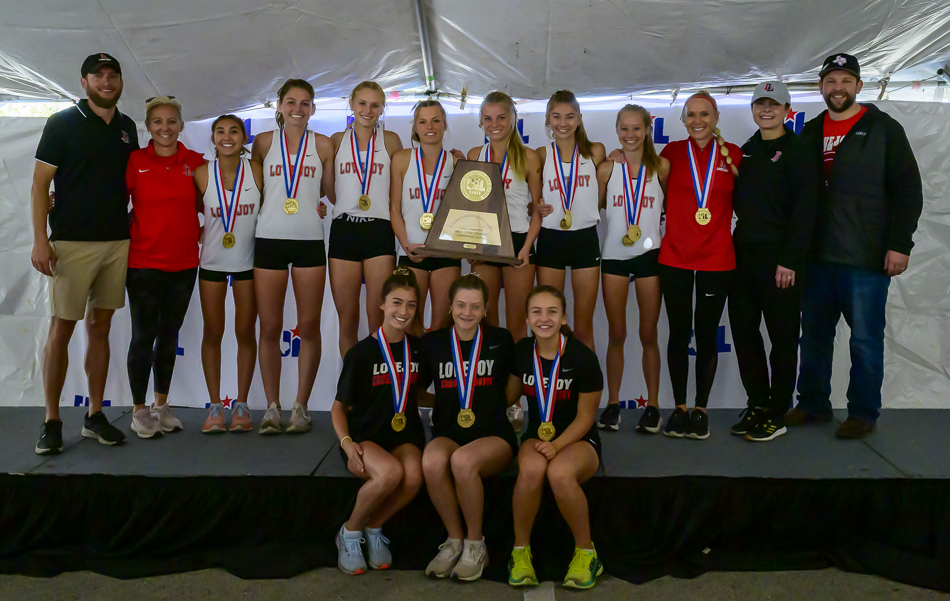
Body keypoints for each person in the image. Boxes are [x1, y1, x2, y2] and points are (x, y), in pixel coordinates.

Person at [788, 54, 922, 438]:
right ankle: (813, 404)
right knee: (813, 337)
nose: (838, 88)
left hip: (865, 260)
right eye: (831, 81)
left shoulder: (883, 129)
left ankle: (863, 412)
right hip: (817, 260)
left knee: (864, 339)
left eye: (846, 80)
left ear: (859, 86)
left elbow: (908, 190)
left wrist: (900, 244)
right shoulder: (811, 132)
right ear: (821, 87)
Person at [32, 53, 138, 454]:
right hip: (71, 243)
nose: (106, 82)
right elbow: (40, 184)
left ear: (121, 82)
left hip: (116, 243)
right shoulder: (61, 123)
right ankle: (51, 420)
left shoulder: (127, 127)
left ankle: (94, 415)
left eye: (113, 76)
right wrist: (41, 240)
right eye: (99, 76)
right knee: (61, 332)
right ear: (84, 82)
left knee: (100, 328)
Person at [728, 82, 818, 442]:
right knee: (745, 335)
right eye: (760, 104)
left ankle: (778, 411)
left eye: (774, 105)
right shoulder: (745, 151)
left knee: (782, 339)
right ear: (752, 110)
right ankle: (758, 404)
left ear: (787, 109)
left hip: (781, 261)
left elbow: (807, 210)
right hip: (743, 258)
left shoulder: (798, 149)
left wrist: (790, 260)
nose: (767, 110)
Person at [250, 79, 334, 435]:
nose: (297, 109)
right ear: (280, 106)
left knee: (309, 327)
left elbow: (330, 192)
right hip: (268, 240)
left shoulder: (325, 144)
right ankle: (272, 406)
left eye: (304, 103)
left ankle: (301, 406)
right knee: (269, 327)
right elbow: (251, 189)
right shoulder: (264, 142)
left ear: (313, 108)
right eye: (291, 102)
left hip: (309, 241)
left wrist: (321, 204)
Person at [507, 285, 605, 590]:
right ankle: (520, 553)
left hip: (578, 440)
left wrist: (557, 445)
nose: (544, 318)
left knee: (560, 473)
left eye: (552, 311)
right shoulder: (522, 352)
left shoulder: (582, 357)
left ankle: (586, 553)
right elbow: (508, 398)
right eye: (536, 311)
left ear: (564, 318)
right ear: (526, 318)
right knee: (532, 470)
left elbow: (586, 417)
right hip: (537, 437)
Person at [420, 274, 517, 581]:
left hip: (493, 435)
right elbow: (417, 389)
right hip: (449, 432)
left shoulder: (500, 340)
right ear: (449, 306)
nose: (467, 312)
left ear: (486, 309)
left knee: (463, 461)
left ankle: (477, 545)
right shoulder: (433, 343)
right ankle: (454, 541)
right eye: (461, 305)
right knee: (432, 461)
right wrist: (445, 401)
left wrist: (494, 403)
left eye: (475, 307)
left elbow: (515, 385)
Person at [657, 91, 741, 440]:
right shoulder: (671, 153)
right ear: (683, 119)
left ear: (716, 117)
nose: (697, 121)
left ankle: (701, 407)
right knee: (678, 333)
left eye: (704, 114)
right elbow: (644, 179)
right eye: (690, 114)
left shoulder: (734, 154)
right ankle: (678, 407)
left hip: (716, 258)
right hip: (674, 256)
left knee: (706, 335)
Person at [330, 267, 426, 575]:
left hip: (405, 435)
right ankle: (350, 532)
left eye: (411, 305)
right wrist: (347, 445)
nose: (404, 311)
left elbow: (415, 392)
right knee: (389, 474)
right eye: (397, 303)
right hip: (366, 435)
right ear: (382, 304)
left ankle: (374, 527)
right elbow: (337, 408)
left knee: (412, 477)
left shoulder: (418, 350)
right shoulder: (361, 353)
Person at [124, 96, 206, 439]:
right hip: (143, 263)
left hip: (184, 263)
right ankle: (140, 410)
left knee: (169, 335)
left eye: (171, 121)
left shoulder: (196, 162)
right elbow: (111, 203)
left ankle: (161, 405)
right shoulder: (135, 161)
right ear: (148, 127)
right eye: (157, 122)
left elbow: (219, 203)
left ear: (181, 126)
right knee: (143, 334)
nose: (165, 128)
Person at [596, 105, 669, 433]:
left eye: (636, 128)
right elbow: (594, 207)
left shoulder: (662, 167)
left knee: (649, 334)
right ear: (616, 130)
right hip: (613, 256)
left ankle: (652, 405)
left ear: (647, 130)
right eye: (624, 128)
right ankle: (613, 403)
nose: (630, 134)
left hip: (649, 257)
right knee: (617, 333)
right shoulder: (607, 169)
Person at [195, 115, 263, 433]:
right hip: (211, 263)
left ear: (243, 137)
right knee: (212, 333)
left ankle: (241, 404)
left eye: (234, 131)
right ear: (212, 138)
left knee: (246, 333)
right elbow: (186, 210)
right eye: (220, 131)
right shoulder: (200, 174)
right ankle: (214, 406)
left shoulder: (258, 172)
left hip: (248, 264)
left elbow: (279, 207)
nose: (227, 137)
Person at [330, 81, 403, 357]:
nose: (368, 110)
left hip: (379, 230)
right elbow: (328, 188)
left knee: (378, 317)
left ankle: (377, 387)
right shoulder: (336, 140)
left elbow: (401, 186)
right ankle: (350, 391)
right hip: (344, 230)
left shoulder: (391, 140)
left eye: (375, 105)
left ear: (382, 108)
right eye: (362, 103)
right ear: (351, 103)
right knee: (347, 320)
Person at [466, 91, 545, 342]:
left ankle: (516, 382)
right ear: (481, 121)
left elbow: (536, 210)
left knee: (517, 324)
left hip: (518, 242)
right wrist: (469, 244)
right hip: (484, 242)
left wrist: (527, 247)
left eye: (501, 117)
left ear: (513, 118)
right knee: (486, 322)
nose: (494, 124)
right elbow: (468, 208)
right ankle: (494, 381)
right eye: (488, 119)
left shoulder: (529, 157)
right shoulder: (474, 155)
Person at [534, 90, 605, 353]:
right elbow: (530, 200)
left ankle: (588, 390)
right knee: (551, 324)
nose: (562, 122)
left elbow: (608, 189)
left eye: (569, 116)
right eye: (556, 116)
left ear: (579, 119)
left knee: (583, 327)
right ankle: (552, 388)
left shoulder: (596, 152)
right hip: (551, 239)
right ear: (547, 119)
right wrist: (535, 206)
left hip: (585, 238)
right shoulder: (541, 154)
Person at [390, 100, 458, 332]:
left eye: (436, 120)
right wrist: (406, 244)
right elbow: (394, 209)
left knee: (441, 326)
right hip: (411, 250)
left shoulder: (457, 163)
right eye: (423, 121)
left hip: (446, 253)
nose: (430, 126)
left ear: (445, 125)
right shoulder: (401, 159)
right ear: (415, 128)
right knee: (410, 324)